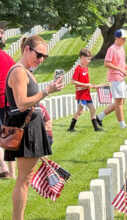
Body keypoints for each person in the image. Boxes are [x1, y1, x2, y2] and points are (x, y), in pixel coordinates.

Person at [5, 35, 63, 219]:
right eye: (39, 55)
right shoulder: (19, 72)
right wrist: (46, 91)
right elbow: (22, 103)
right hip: (25, 126)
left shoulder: (27, 71)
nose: (41, 59)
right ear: (27, 49)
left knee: (26, 179)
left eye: (44, 57)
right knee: (23, 180)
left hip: (31, 125)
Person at [96, 29, 127, 128]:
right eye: (123, 39)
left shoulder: (121, 49)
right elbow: (106, 63)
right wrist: (120, 70)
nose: (124, 41)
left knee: (120, 101)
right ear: (117, 38)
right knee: (119, 102)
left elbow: (121, 63)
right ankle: (122, 124)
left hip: (120, 78)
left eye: (125, 39)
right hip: (115, 78)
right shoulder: (111, 49)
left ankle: (99, 117)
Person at [67, 48, 102, 132]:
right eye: (88, 59)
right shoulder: (78, 68)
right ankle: (71, 128)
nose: (89, 61)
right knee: (80, 111)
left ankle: (96, 128)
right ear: (82, 57)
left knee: (93, 110)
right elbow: (73, 81)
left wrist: (91, 86)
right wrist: (86, 85)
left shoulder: (85, 68)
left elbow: (86, 82)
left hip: (87, 93)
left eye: (90, 59)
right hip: (81, 94)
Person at [0, 30, 16, 179]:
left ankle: (4, 169)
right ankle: (11, 171)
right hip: (7, 100)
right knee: (8, 135)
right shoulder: (8, 58)